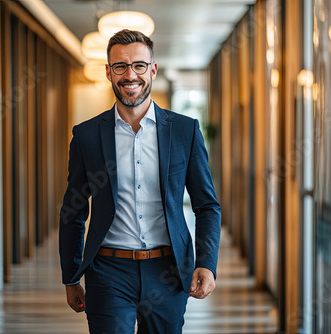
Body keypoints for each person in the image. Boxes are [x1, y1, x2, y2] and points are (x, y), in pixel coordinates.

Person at [59, 29, 221, 334]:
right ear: (108, 72)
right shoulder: (87, 136)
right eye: (120, 66)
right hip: (107, 270)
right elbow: (73, 212)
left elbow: (206, 205)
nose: (129, 74)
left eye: (139, 65)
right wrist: (70, 277)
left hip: (169, 270)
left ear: (153, 70)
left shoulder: (185, 131)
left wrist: (207, 263)